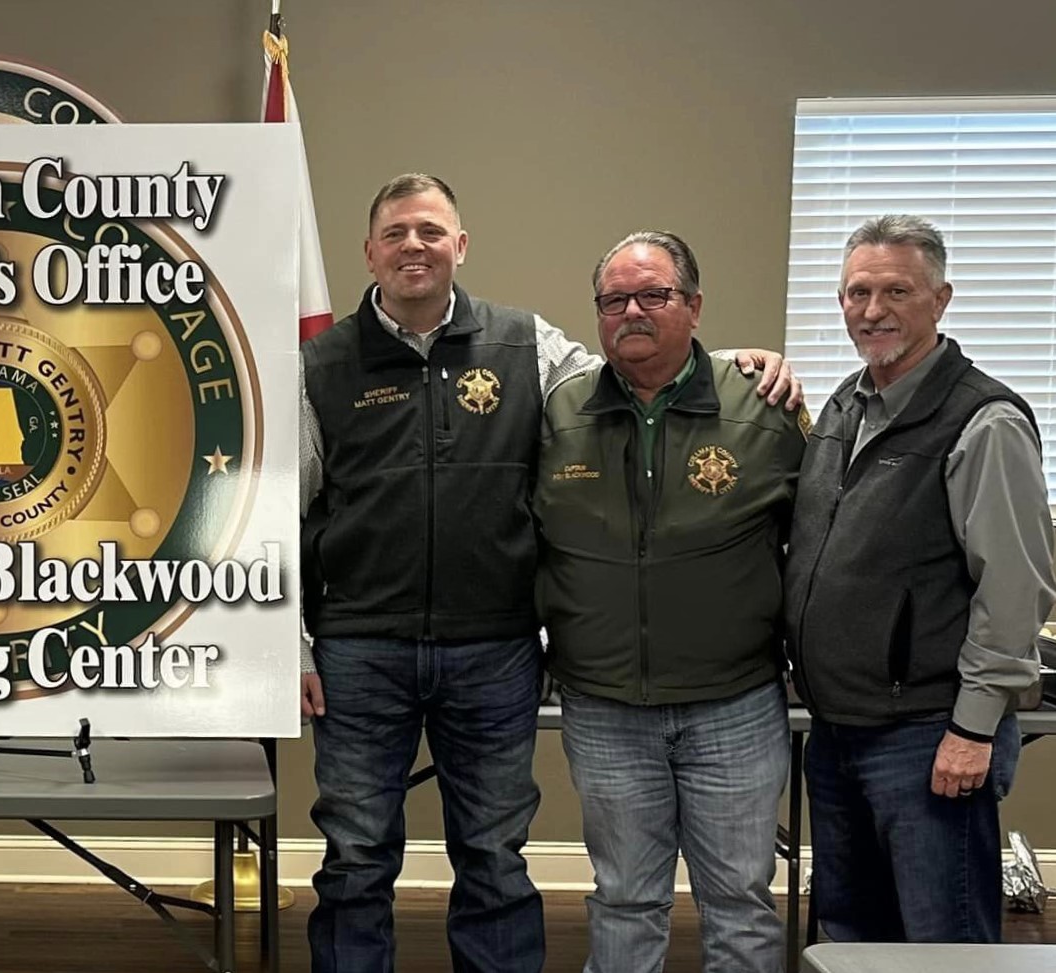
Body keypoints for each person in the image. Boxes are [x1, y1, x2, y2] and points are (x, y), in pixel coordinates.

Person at [298, 174, 799, 972]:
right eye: (395, 233)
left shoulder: (524, 344)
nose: (413, 246)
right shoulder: (319, 364)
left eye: (430, 230)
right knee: (355, 857)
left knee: (494, 854)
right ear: (368, 251)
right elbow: (282, 511)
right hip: (359, 649)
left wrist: (734, 364)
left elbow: (634, 372)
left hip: (492, 649)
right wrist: (293, 642)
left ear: (460, 245)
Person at [784, 214, 1055, 943]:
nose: (872, 310)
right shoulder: (844, 407)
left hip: (929, 735)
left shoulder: (983, 421)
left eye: (896, 291)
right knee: (849, 936)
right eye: (857, 292)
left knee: (943, 942)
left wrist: (972, 727)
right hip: (839, 731)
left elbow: (1014, 589)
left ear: (940, 299)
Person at [537, 231, 803, 971]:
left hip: (733, 705)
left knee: (739, 903)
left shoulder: (763, 406)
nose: (632, 311)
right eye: (614, 299)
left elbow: (817, 545)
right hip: (604, 707)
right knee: (623, 898)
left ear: (693, 305)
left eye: (653, 295)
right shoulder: (557, 413)